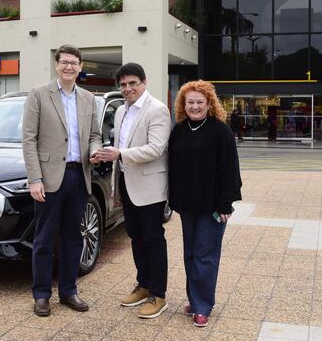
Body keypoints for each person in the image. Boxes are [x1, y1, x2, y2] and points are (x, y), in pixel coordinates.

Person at [22, 44, 102, 317]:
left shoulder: (89, 99)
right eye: (64, 62)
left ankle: (68, 291)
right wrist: (35, 178)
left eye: (74, 63)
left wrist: (94, 151)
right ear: (56, 65)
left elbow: (94, 135)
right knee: (44, 239)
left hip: (79, 176)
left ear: (80, 67)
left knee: (73, 237)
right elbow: (29, 140)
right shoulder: (39, 95)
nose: (69, 67)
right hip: (49, 178)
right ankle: (42, 294)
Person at [93, 63, 171, 319]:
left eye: (132, 84)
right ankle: (144, 284)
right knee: (135, 237)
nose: (127, 89)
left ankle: (158, 295)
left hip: (150, 186)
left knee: (153, 239)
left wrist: (120, 153)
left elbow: (155, 148)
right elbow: (120, 147)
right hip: (127, 182)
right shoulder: (121, 111)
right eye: (123, 85)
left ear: (144, 82)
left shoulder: (157, 110)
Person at [168, 80, 241, 327]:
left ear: (210, 104)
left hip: (212, 206)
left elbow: (230, 171)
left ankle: (203, 305)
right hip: (187, 205)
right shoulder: (179, 129)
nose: (195, 106)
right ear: (183, 104)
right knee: (190, 254)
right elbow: (173, 168)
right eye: (190, 102)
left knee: (205, 255)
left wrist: (225, 205)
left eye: (200, 102)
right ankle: (196, 298)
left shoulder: (221, 131)